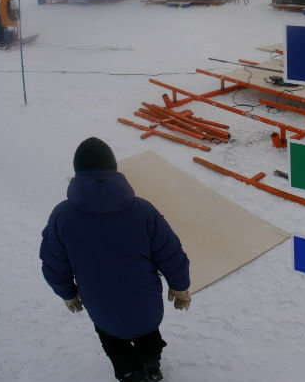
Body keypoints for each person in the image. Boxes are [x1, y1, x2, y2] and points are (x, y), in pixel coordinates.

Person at [40, 137, 191, 382]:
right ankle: (152, 365)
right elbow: (170, 252)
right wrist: (180, 285)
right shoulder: (142, 210)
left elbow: (53, 262)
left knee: (113, 340)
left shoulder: (62, 217)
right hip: (144, 300)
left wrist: (67, 293)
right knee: (147, 332)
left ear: (78, 173)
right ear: (114, 169)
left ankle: (130, 373)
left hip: (101, 304)